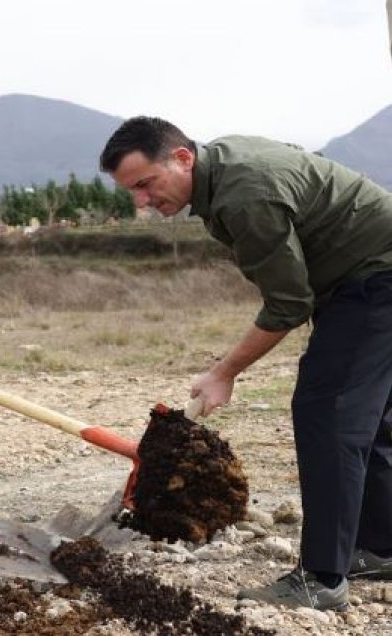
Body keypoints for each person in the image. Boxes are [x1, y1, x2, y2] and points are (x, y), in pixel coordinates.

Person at [100, 116, 392, 611]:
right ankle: (381, 547)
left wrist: (224, 372)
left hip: (374, 280)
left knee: (327, 414)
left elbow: (287, 303)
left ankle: (321, 578)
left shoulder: (244, 195)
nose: (142, 202)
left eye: (146, 184)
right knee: (370, 419)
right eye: (132, 192)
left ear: (183, 157)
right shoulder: (227, 166)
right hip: (365, 277)